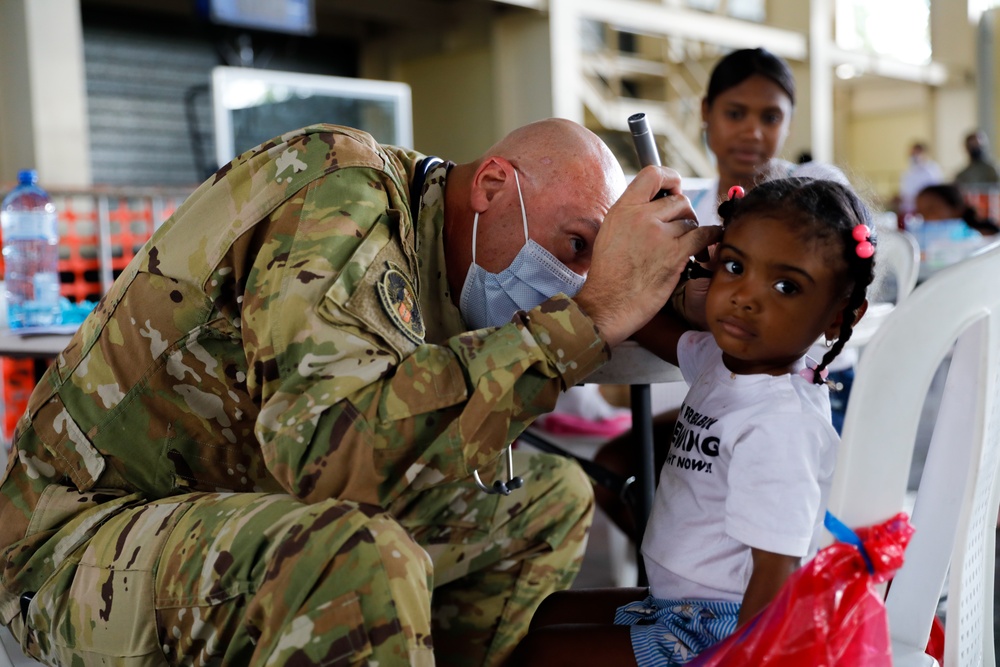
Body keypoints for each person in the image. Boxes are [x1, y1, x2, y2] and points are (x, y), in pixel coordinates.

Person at [0, 120, 720, 666]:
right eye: (575, 246)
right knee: (356, 560)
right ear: (493, 185)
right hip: (78, 538)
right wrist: (589, 317)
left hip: (245, 500)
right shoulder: (340, 190)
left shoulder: (444, 246)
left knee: (548, 499)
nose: (575, 276)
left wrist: (676, 293)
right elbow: (329, 452)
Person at [506, 177, 876, 667]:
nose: (745, 296)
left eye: (785, 286)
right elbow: (642, 319)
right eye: (735, 266)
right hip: (675, 602)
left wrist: (742, 660)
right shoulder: (725, 363)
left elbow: (776, 573)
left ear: (840, 316)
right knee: (551, 613)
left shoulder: (779, 425)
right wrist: (639, 262)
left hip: (722, 625)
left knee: (544, 653)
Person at [689, 47, 796, 226]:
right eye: (735, 114)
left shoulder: (819, 191)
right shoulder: (686, 212)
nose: (752, 133)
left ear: (789, 122)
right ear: (706, 111)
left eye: (771, 118)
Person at [898, 142, 944, 219]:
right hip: (910, 212)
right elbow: (905, 195)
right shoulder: (907, 173)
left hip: (928, 211)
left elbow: (936, 191)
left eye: (917, 153)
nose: (914, 156)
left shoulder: (932, 170)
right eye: (912, 154)